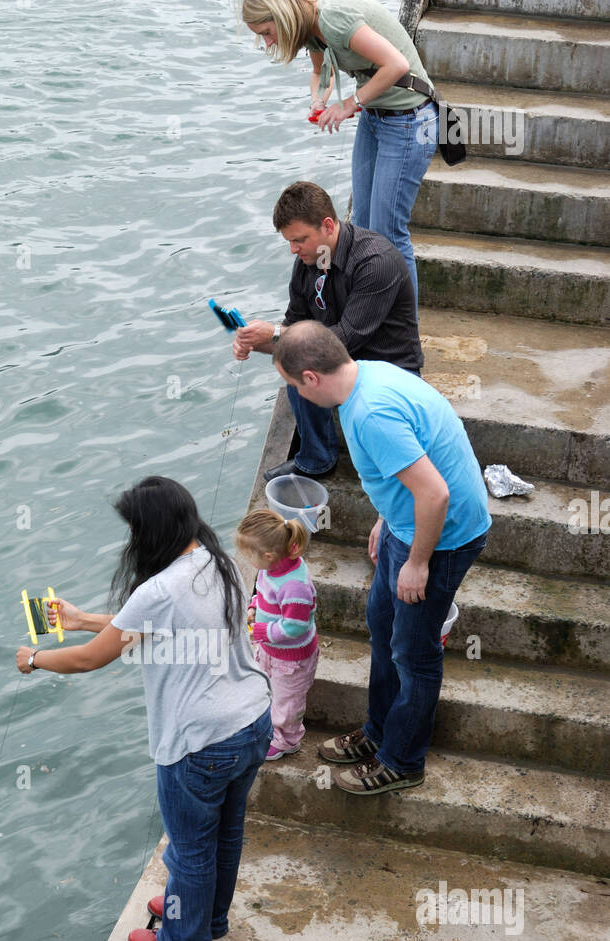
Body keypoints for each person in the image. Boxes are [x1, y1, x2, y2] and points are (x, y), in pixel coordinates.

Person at [15, 476, 272, 941]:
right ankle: (206, 917)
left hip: (201, 742)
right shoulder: (223, 564)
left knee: (192, 849)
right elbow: (148, 624)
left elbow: (92, 660)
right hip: (252, 720)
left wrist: (36, 659)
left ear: (151, 532)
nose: (132, 541)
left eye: (134, 530)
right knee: (226, 832)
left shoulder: (157, 589)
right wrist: (82, 617)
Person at [273, 321, 490, 795]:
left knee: (414, 652)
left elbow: (434, 495)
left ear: (310, 378)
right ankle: (377, 731)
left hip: (443, 537)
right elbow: (408, 476)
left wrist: (417, 562)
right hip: (405, 522)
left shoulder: (370, 412)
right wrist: (386, 516)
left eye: (292, 385)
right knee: (382, 622)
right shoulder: (363, 375)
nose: (296, 394)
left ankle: (403, 760)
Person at [242, 0, 439, 297]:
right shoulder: (311, 30)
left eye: (267, 32)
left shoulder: (333, 19)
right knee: (359, 227)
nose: (268, 42)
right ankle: (365, 313)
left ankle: (404, 334)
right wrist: (318, 101)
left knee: (389, 235)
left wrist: (349, 104)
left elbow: (397, 65)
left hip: (411, 121)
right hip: (375, 118)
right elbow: (321, 73)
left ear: (283, 17)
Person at [233, 181, 422, 482]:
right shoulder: (307, 260)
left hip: (390, 369)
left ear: (328, 226)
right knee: (293, 361)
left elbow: (344, 339)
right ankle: (316, 458)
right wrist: (257, 340)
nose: (293, 250)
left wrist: (277, 336)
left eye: (299, 240)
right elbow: (294, 325)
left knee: (299, 353)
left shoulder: (375, 262)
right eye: (289, 242)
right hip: (341, 364)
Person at [236, 509, 319, 761]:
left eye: (248, 554)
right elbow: (262, 594)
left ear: (268, 555)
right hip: (271, 649)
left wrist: (261, 631)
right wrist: (253, 607)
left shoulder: (294, 586)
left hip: (292, 659)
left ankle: (287, 740)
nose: (246, 558)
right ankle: (267, 726)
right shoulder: (269, 569)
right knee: (267, 688)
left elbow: (296, 626)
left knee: (288, 700)